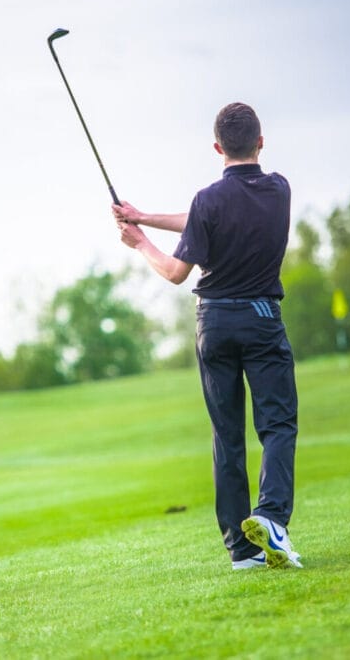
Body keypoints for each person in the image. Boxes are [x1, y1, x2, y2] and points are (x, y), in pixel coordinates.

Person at [113, 102, 301, 570]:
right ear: (261, 142)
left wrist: (141, 243)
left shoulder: (207, 201)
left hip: (213, 323)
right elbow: (205, 220)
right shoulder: (280, 190)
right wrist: (145, 217)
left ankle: (243, 551)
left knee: (227, 435)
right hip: (261, 319)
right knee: (276, 425)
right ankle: (271, 517)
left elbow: (176, 271)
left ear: (217, 147)